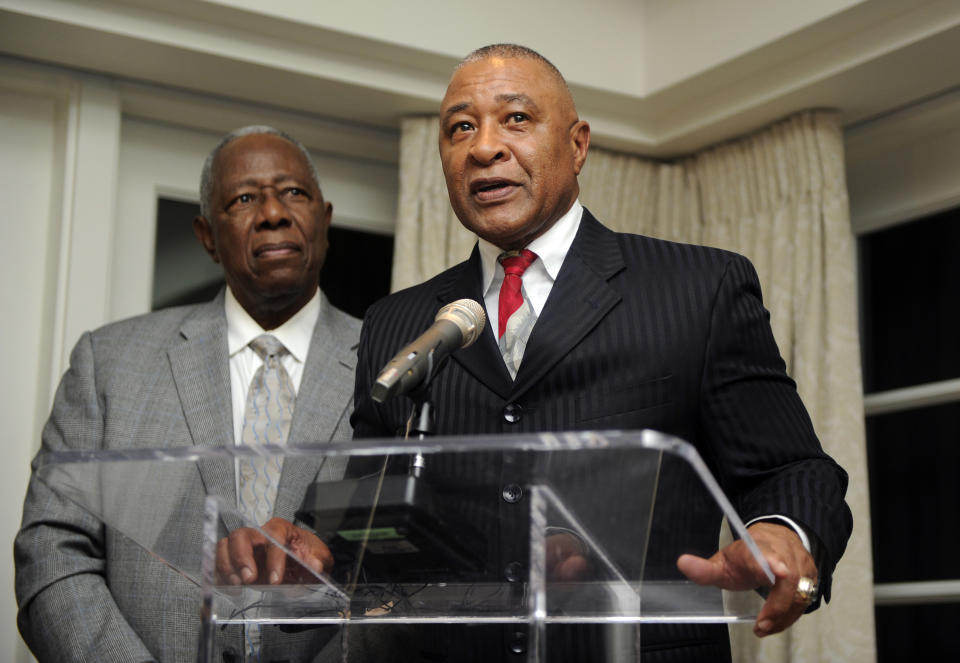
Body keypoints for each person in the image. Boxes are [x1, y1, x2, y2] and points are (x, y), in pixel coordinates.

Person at [351, 44, 853, 662]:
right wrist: (304, 555)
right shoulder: (396, 324)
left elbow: (791, 471)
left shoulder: (699, 289)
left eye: (515, 119)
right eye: (460, 128)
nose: (483, 147)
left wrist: (780, 531)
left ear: (578, 144)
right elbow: (362, 522)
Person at [15, 126, 360, 662]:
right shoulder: (108, 363)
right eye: (243, 198)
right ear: (206, 236)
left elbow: (421, 569)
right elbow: (53, 552)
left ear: (325, 218)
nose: (272, 212)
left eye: (294, 192)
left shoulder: (396, 366)